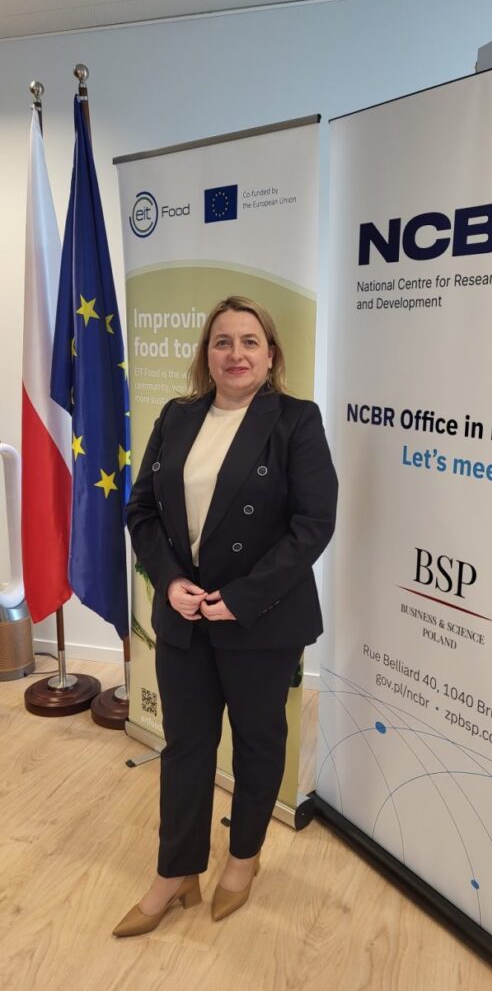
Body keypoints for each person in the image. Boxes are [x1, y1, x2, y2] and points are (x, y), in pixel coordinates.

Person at [113, 296, 338, 936]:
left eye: (249, 341)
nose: (235, 354)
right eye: (222, 342)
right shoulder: (177, 416)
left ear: (270, 355)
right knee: (186, 744)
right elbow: (142, 510)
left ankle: (243, 859)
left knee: (258, 741)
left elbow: (313, 524)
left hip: (260, 617)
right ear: (206, 354)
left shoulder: (295, 420)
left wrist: (240, 597)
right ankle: (175, 872)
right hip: (184, 614)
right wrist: (170, 580)